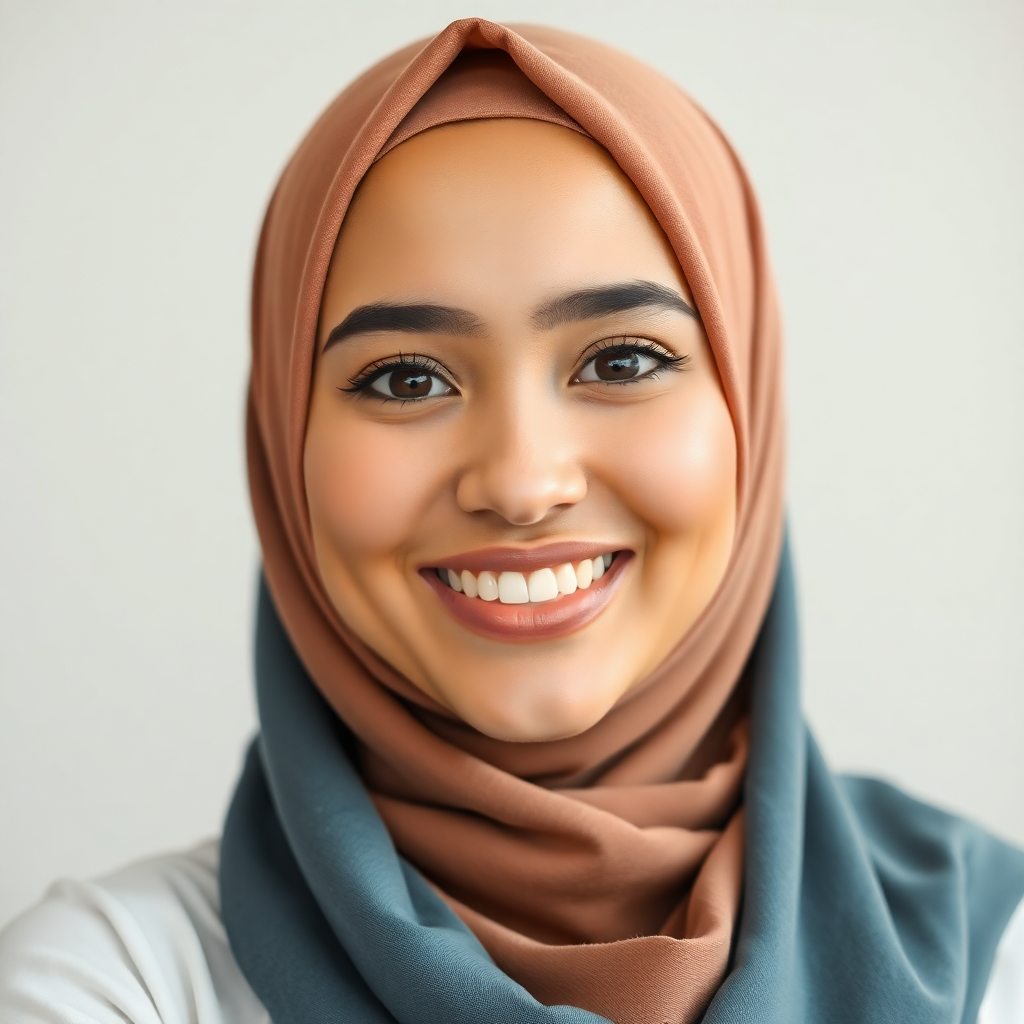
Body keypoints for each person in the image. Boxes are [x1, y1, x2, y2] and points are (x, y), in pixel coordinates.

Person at [1, 18, 1021, 1024]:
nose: (523, 482)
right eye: (406, 378)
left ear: (746, 404)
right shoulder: (115, 985)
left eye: (620, 361)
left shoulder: (994, 952)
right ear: (282, 443)